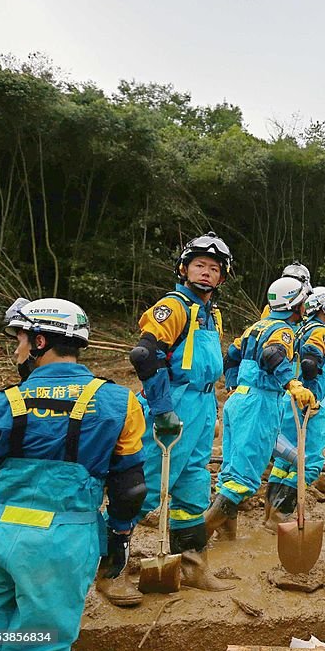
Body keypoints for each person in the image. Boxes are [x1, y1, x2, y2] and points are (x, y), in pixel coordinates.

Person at [0, 298, 146, 650]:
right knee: (40, 641)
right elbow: (129, 489)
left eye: (20, 339)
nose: (17, 349)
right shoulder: (120, 402)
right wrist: (119, 537)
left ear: (40, 342)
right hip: (61, 545)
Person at [129, 231, 234, 594]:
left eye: (214, 268)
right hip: (172, 403)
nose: (206, 272)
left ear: (222, 277)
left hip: (204, 404)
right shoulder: (173, 306)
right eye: (199, 265)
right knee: (145, 486)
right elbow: (145, 355)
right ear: (184, 268)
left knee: (193, 487)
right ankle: (108, 570)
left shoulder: (211, 315)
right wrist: (161, 409)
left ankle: (192, 567)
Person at [205, 277, 315, 539]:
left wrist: (233, 385)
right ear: (295, 304)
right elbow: (272, 355)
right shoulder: (283, 330)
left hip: (239, 400)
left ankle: (227, 539)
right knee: (243, 481)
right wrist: (292, 383)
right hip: (259, 403)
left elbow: (231, 355)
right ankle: (194, 542)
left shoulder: (256, 326)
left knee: (230, 475)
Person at [265, 285, 325, 530]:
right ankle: (279, 518)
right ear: (322, 308)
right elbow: (310, 362)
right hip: (309, 404)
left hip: (292, 401)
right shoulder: (320, 331)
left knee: (285, 461)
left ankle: (269, 515)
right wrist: (313, 397)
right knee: (309, 463)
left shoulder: (301, 328)